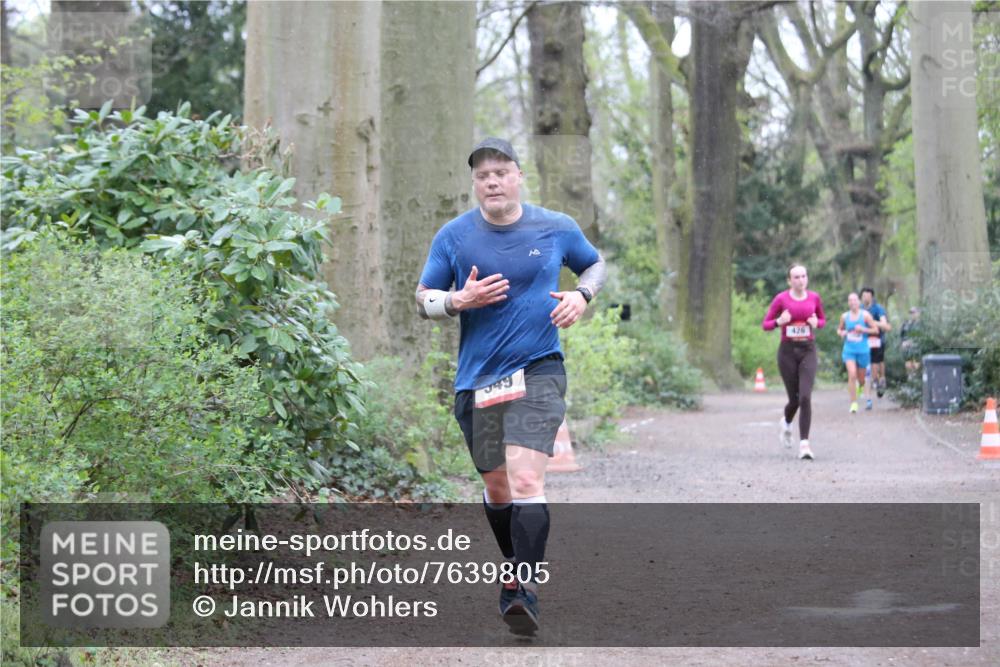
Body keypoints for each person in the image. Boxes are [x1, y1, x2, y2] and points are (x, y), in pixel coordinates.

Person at [415, 137, 605, 635]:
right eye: (482, 175)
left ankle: (522, 587)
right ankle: (512, 568)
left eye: (501, 171)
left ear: (519, 176)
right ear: (475, 184)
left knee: (525, 480)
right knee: (497, 487)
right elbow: (423, 298)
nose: (492, 180)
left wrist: (583, 295)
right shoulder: (454, 237)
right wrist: (459, 300)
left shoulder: (556, 226)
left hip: (539, 367)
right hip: (478, 378)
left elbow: (594, 263)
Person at [762, 264, 826, 461]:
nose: (800, 280)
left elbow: (822, 320)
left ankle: (804, 445)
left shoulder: (814, 298)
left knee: (805, 397)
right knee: (795, 399)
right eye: (796, 277)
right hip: (787, 353)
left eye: (803, 276)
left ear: (807, 278)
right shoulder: (781, 299)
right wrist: (779, 322)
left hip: (808, 350)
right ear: (789, 281)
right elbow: (766, 324)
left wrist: (817, 324)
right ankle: (787, 422)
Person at [837, 292, 881, 413]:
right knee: (852, 374)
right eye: (850, 301)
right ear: (848, 303)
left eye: (855, 300)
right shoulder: (844, 316)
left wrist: (863, 329)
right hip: (849, 350)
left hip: (863, 350)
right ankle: (853, 403)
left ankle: (861, 387)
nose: (852, 303)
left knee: (861, 379)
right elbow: (839, 329)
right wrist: (841, 333)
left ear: (859, 302)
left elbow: (876, 330)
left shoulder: (865, 315)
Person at [860, 287, 891, 401]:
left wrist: (872, 322)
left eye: (867, 296)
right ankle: (876, 381)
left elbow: (885, 325)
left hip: (878, 339)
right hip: (864, 340)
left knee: (876, 362)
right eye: (863, 296)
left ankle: (880, 380)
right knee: (866, 364)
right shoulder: (860, 309)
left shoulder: (878, 309)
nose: (865, 298)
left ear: (871, 297)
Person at [900, 306, 921, 377]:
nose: (912, 314)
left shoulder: (921, 324)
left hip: (917, 347)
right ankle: (910, 378)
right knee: (908, 364)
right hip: (907, 347)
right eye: (911, 313)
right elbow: (902, 335)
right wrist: (903, 342)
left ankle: (916, 378)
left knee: (916, 364)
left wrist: (914, 342)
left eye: (914, 312)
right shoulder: (905, 324)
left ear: (918, 313)